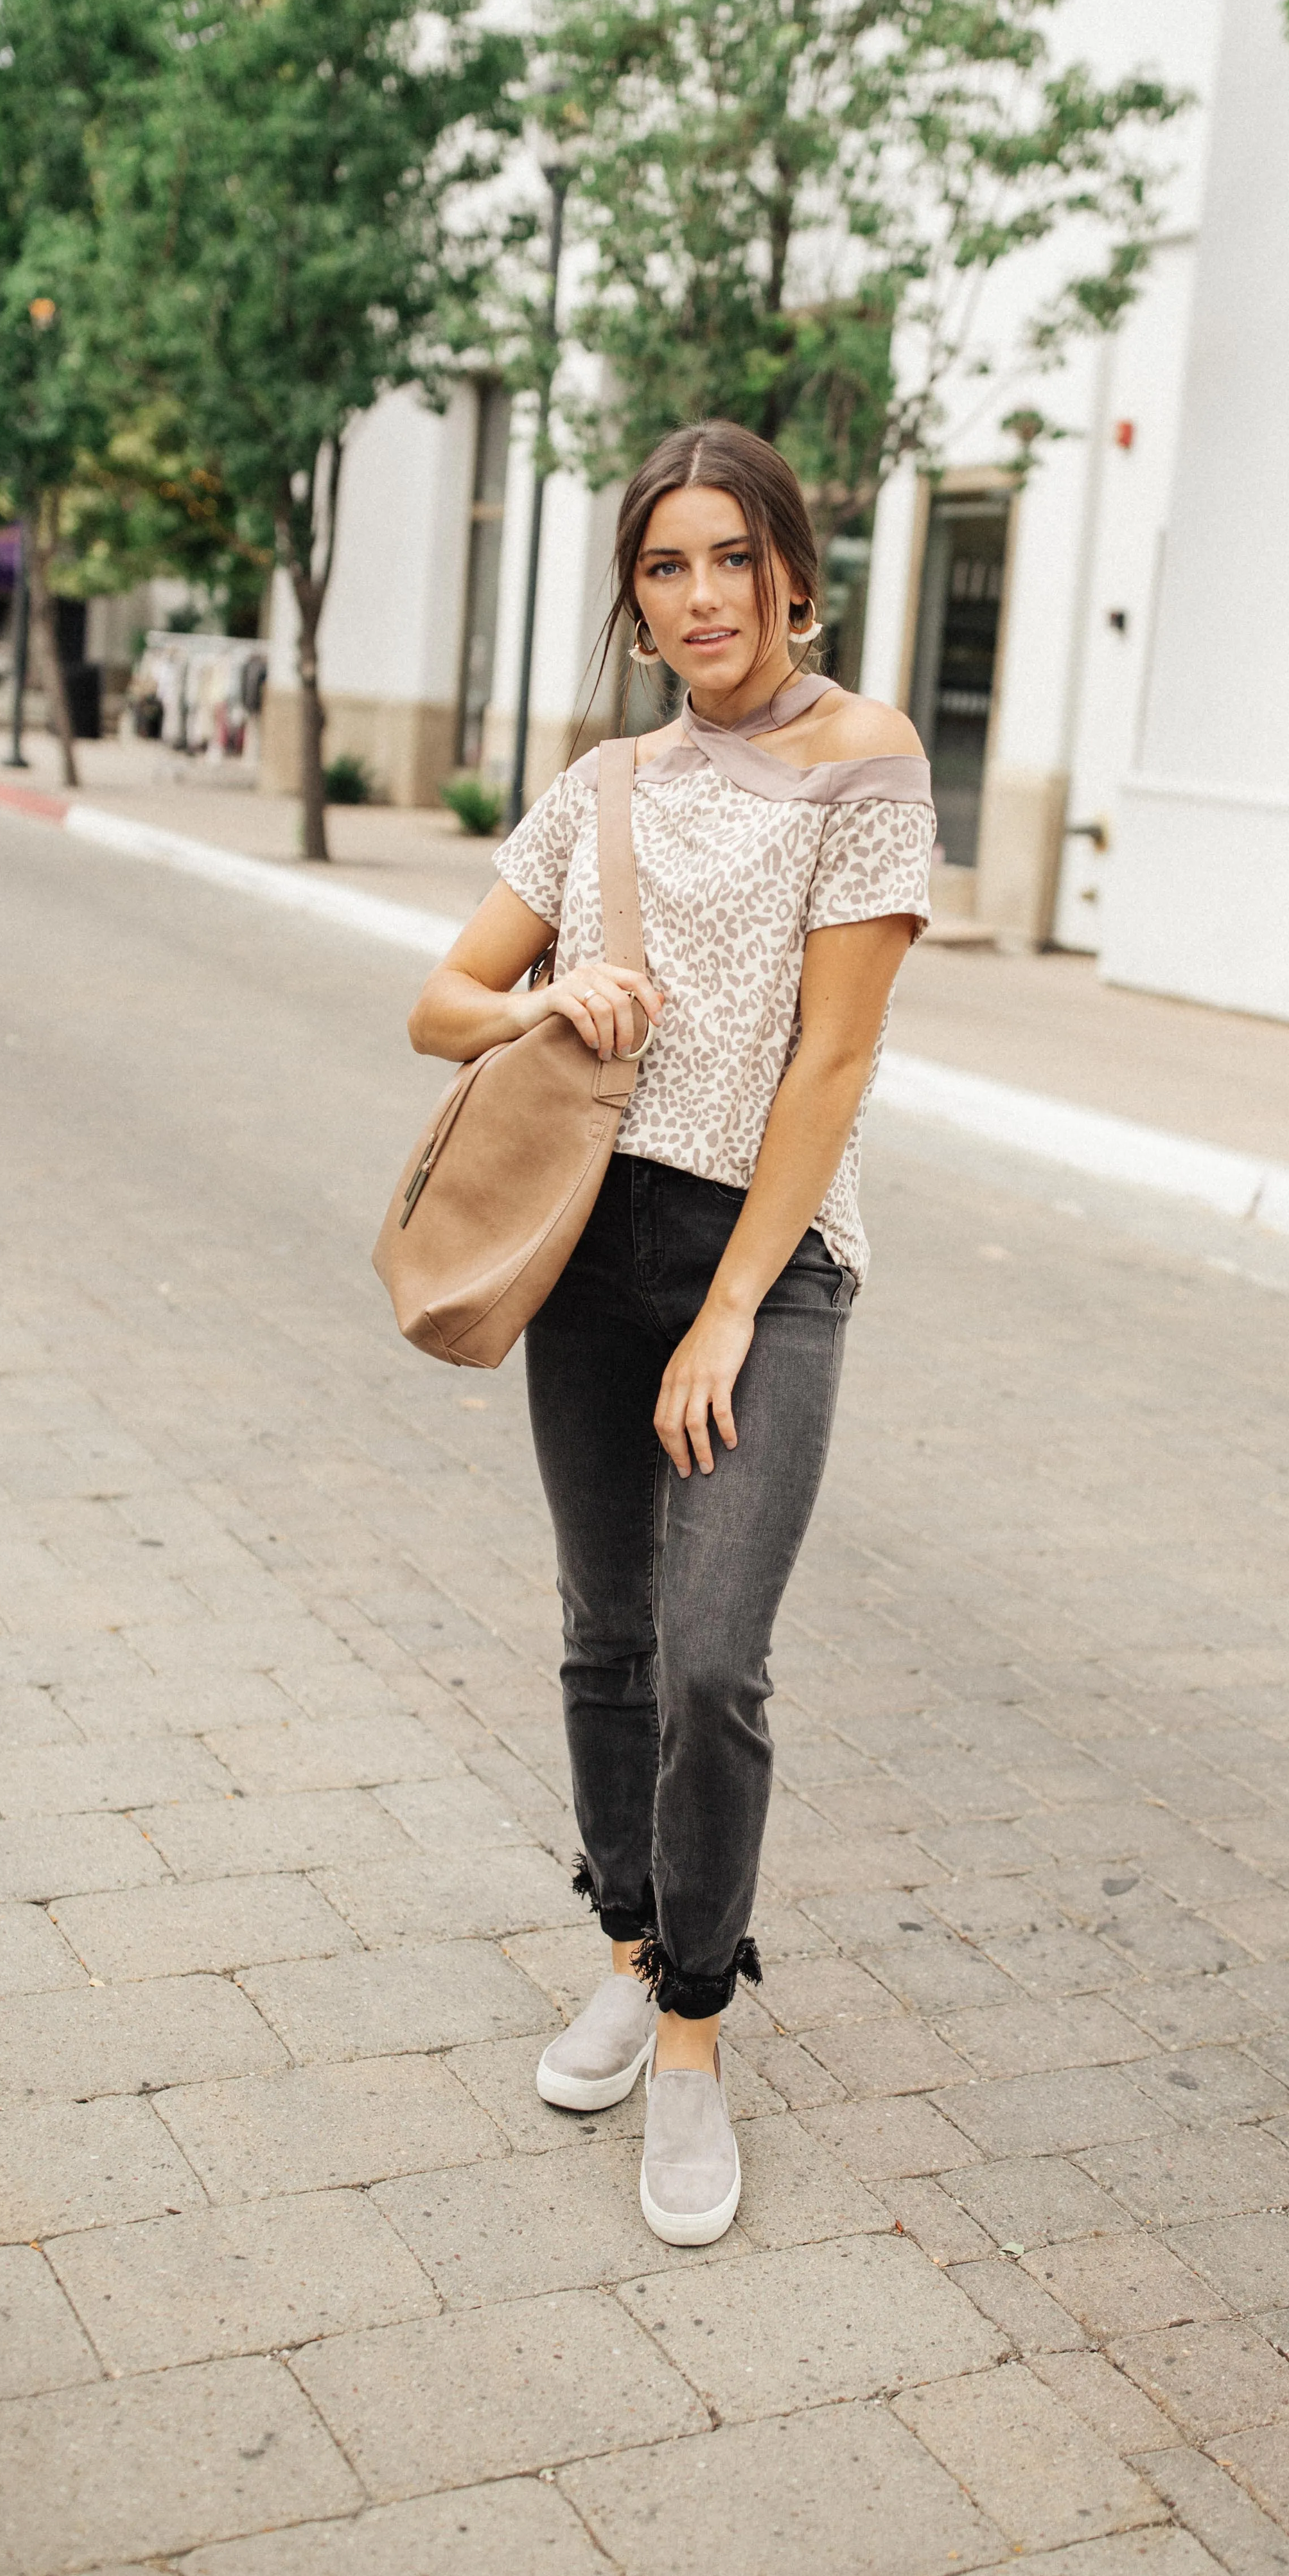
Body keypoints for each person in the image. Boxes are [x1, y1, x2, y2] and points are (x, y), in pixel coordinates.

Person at [406, 421, 934, 2244]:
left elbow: (836, 1060)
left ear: (792, 566)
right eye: (664, 567)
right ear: (633, 598)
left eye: (732, 558)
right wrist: (552, 992)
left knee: (715, 1662)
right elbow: (438, 1000)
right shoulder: (606, 779)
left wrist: (727, 1312)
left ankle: (697, 2032)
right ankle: (631, 1945)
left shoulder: (868, 762)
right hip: (592, 1245)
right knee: (605, 1635)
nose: (703, 597)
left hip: (764, 1270)